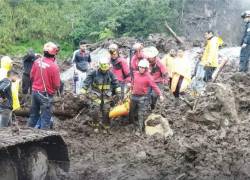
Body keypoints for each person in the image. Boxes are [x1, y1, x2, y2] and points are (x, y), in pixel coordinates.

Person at [81, 55, 121, 129]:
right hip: (96, 96)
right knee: (95, 111)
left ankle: (106, 126)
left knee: (106, 111)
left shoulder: (110, 74)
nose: (104, 70)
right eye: (103, 68)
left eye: (106, 68)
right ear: (99, 66)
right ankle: (95, 125)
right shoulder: (93, 73)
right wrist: (83, 92)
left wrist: (118, 93)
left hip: (107, 97)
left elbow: (116, 83)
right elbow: (86, 83)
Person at [28, 42, 60, 129]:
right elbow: (57, 85)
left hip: (35, 92)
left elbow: (31, 76)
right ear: (55, 53)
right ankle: (43, 140)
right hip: (45, 95)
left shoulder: (37, 61)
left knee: (33, 116)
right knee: (45, 119)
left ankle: (26, 136)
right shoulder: (54, 67)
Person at [129, 59, 164, 133]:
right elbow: (133, 82)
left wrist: (160, 95)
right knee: (131, 112)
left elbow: (155, 86)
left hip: (142, 97)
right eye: (140, 67)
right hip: (133, 96)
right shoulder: (135, 74)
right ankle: (132, 124)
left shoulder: (148, 77)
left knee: (140, 113)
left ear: (146, 68)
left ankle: (140, 129)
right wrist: (131, 87)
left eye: (143, 67)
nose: (141, 69)